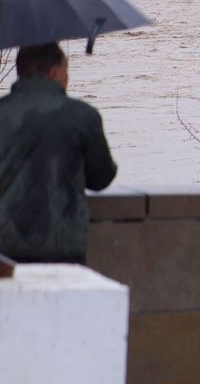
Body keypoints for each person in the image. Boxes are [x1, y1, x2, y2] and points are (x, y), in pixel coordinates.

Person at [0, 43, 117, 263]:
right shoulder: (83, 115)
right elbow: (101, 178)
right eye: (66, 70)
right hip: (63, 246)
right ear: (54, 72)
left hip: (4, 250)